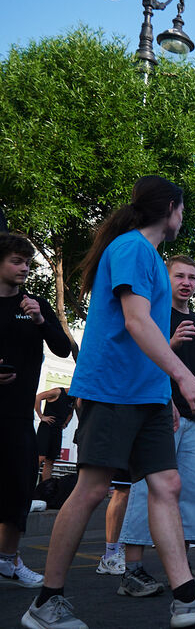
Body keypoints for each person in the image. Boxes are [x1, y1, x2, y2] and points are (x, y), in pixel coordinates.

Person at [23, 177, 195, 628]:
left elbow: (148, 334)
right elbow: (136, 322)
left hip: (146, 396)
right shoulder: (132, 249)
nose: (184, 217)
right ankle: (47, 602)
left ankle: (187, 596)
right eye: (182, 208)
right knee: (90, 489)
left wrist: (164, 389)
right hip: (112, 390)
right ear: (170, 208)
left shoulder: (148, 255)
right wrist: (185, 379)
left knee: (167, 487)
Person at [117, 254, 195, 596]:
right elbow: (142, 361)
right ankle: (131, 571)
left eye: (193, 278)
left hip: (194, 419)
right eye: (179, 276)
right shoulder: (152, 313)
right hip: (158, 414)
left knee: (194, 493)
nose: (187, 283)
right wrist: (172, 343)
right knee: (145, 491)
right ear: (167, 279)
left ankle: (182, 573)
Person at [0, 233, 72, 590]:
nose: (24, 268)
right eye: (16, 261)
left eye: (27, 262)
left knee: (18, 488)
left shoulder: (35, 305)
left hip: (17, 417)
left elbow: (62, 348)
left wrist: (42, 320)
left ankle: (8, 561)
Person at [34, 387, 74, 481]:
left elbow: (71, 413)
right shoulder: (57, 392)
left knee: (50, 460)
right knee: (40, 457)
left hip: (57, 430)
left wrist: (66, 423)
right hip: (46, 427)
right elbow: (38, 397)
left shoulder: (74, 399)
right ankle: (29, 484)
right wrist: (41, 416)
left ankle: (44, 489)